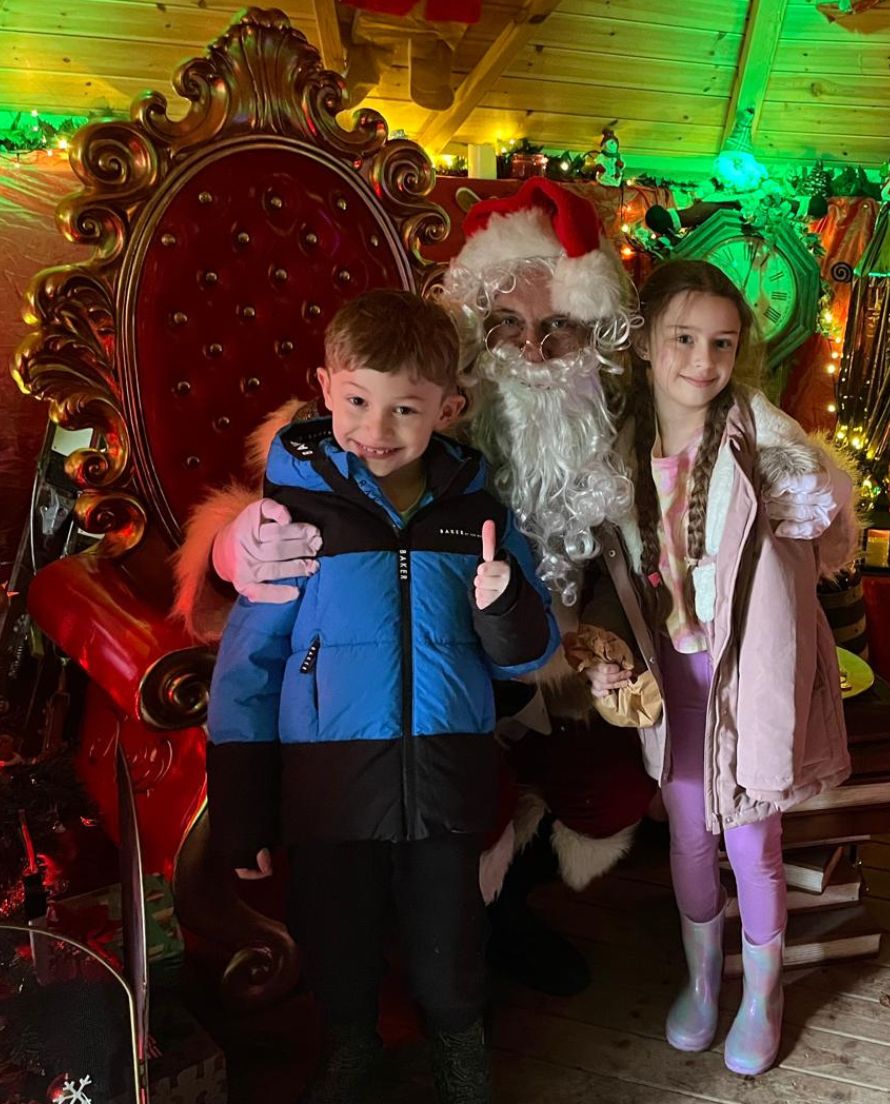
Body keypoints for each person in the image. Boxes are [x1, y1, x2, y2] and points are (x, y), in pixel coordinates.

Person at [173, 179, 854, 994]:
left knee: (611, 786)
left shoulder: (612, 425)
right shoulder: (392, 417)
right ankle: (445, 947)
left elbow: (641, 556)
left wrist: (604, 646)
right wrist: (225, 546)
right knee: (471, 795)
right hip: (435, 688)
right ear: (470, 335)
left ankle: (508, 918)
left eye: (558, 330)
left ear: (594, 339)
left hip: (559, 681)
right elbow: (297, 512)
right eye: (508, 327)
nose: (533, 352)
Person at [205, 289, 556, 1104]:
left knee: (450, 948)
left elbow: (527, 650)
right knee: (338, 942)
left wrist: (502, 601)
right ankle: (350, 1046)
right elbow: (248, 665)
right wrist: (243, 809)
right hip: (330, 786)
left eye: (405, 407)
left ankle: (460, 1061)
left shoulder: (476, 515)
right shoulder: (293, 516)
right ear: (324, 387)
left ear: (449, 407)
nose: (377, 427)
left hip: (443, 779)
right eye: (358, 400)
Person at [573, 260, 857, 1076]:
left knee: (751, 838)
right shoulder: (623, 447)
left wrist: (808, 491)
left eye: (722, 344)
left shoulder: (755, 430)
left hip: (745, 673)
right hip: (670, 681)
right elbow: (613, 568)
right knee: (689, 831)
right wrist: (607, 650)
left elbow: (817, 520)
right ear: (646, 344)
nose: (703, 361)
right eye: (685, 340)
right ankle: (704, 974)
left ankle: (762, 991)